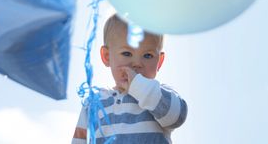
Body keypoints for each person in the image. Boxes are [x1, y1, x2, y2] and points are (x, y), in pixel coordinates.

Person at [71, 14, 188, 143]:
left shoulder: (158, 97)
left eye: (148, 55)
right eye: (127, 53)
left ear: (159, 62)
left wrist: (139, 86)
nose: (137, 63)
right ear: (107, 56)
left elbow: (177, 116)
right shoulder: (94, 104)